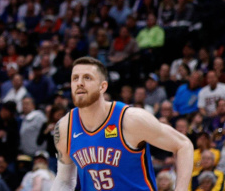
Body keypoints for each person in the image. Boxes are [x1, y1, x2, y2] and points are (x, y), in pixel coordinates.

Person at [51, 56, 194, 191]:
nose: (79, 83)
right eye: (75, 78)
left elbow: (183, 145)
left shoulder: (130, 119)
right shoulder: (65, 127)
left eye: (87, 78)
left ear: (102, 87)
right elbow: (64, 180)